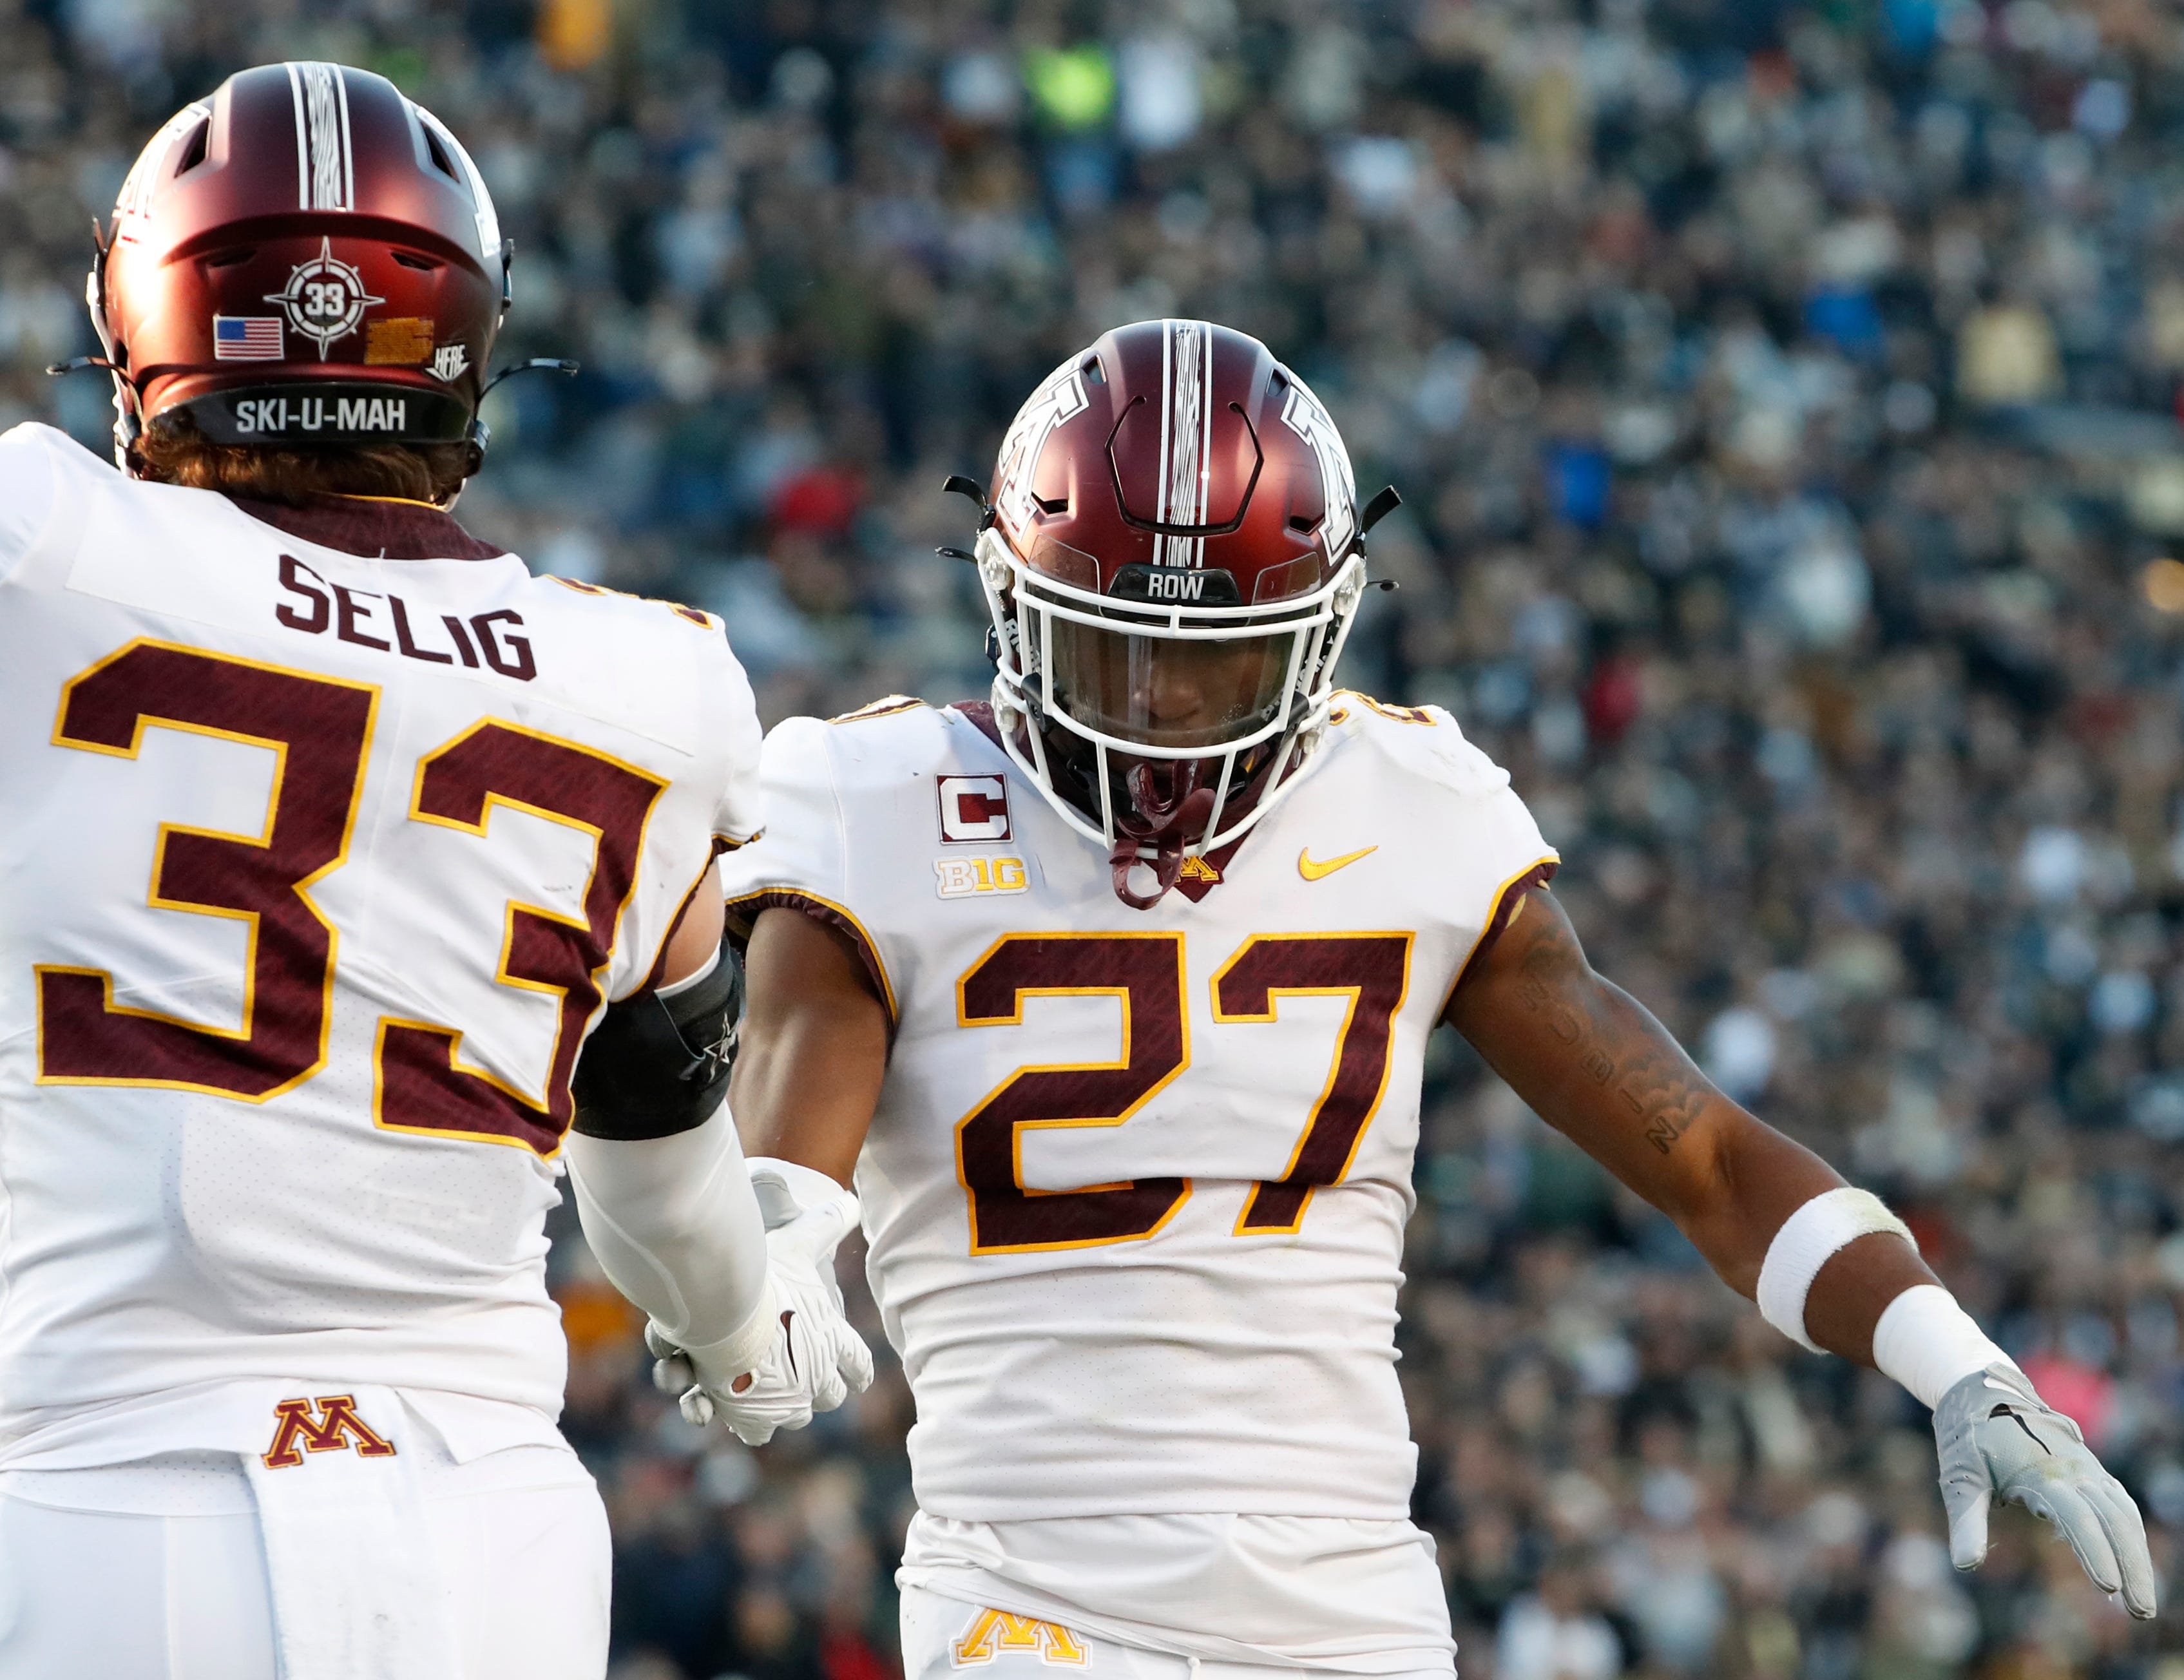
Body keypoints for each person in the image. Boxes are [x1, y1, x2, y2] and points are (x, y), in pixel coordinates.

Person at [678, 320, 2156, 1677]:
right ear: (1013, 599)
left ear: (1321, 627)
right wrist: (768, 1267)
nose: (1167, 708)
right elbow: (794, 1133)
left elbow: (1701, 1155)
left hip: (1360, 1612)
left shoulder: (1412, 803)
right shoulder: (878, 797)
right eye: (1121, 647)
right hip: (1034, 1604)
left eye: (1223, 658)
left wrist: (1955, 1356)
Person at [0, 62, 865, 1680]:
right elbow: (657, 1157)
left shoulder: (42, 548)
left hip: (101, 1493)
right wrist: (749, 1327)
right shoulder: (661, 684)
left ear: (148, 321)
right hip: (489, 1518)